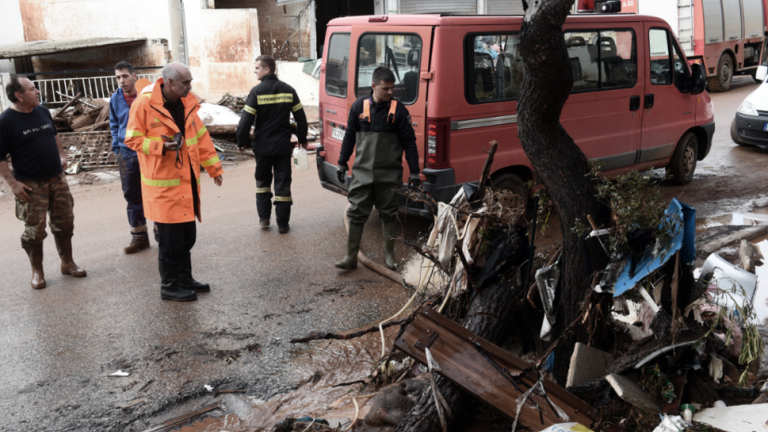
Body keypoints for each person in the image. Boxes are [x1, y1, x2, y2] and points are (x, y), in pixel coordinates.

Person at [125, 62, 224, 302]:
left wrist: (214, 168)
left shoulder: (187, 103)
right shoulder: (144, 104)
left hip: (186, 182)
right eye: (186, 83)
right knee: (170, 241)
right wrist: (161, 147)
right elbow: (131, 139)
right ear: (169, 82)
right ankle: (169, 286)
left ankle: (184, 278)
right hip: (162, 185)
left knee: (187, 237)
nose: (190, 87)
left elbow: (201, 138)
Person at [0, 76, 87, 289]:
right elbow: (0, 158)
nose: (37, 91)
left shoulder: (43, 111)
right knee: (34, 230)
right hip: (30, 184)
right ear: (19, 95)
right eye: (32, 89)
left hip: (57, 178)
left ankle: (67, 263)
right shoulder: (5, 121)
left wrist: (62, 156)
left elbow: (54, 135)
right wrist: (13, 184)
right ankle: (37, 271)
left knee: (65, 223)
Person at [334, 67, 420, 271]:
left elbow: (409, 142)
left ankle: (389, 256)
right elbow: (349, 137)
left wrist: (415, 171)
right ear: (373, 86)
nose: (390, 92)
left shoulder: (399, 110)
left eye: (392, 88)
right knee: (356, 213)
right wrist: (341, 161)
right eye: (385, 89)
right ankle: (350, 257)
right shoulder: (358, 108)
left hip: (389, 174)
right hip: (362, 173)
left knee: (389, 214)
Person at [236, 55, 308, 234]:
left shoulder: (256, 92)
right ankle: (283, 224)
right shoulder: (289, 90)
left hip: (262, 147)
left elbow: (246, 120)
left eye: (257, 68)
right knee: (283, 184)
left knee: (262, 182)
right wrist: (302, 139)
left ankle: (264, 219)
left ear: (267, 69)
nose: (255, 71)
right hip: (283, 146)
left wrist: (241, 141)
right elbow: (301, 118)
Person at [110, 60, 153, 254]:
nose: (121, 81)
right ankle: (139, 237)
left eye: (125, 76)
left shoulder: (148, 96)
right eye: (118, 77)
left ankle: (162, 232)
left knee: (153, 191)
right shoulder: (115, 99)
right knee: (132, 194)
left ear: (134, 76)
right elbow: (114, 124)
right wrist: (117, 147)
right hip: (126, 153)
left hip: (147, 151)